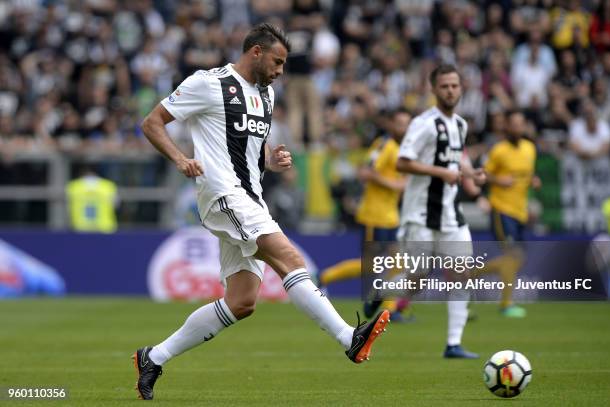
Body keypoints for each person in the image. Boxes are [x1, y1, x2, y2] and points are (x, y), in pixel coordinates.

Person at [133, 23, 390, 400]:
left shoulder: (265, 97)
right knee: (290, 257)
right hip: (223, 195)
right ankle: (348, 338)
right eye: (277, 62)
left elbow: (247, 156)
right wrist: (180, 158)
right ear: (255, 52)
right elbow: (151, 122)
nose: (280, 71)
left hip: (250, 197)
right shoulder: (209, 83)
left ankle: (153, 357)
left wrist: (272, 160)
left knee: (242, 302)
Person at [395, 64, 485, 359]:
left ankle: (453, 343)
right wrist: (441, 172)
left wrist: (471, 175)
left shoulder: (460, 124)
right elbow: (403, 162)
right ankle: (383, 294)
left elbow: (457, 158)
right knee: (418, 278)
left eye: (455, 86)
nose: (450, 91)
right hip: (421, 213)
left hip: (451, 214)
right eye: (445, 86)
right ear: (433, 89)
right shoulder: (423, 123)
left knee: (462, 273)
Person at [318, 109, 412, 322]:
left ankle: (391, 310)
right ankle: (324, 277)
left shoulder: (404, 149)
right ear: (391, 124)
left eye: (407, 124)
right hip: (374, 215)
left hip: (391, 216)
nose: (403, 128)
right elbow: (364, 172)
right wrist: (395, 184)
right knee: (371, 266)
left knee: (398, 262)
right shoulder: (384, 145)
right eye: (399, 123)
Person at [479, 109, 540, 318]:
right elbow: (482, 174)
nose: (517, 128)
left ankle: (468, 275)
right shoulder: (498, 150)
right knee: (512, 255)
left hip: (520, 211)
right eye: (513, 124)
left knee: (517, 259)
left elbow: (527, 174)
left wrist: (533, 180)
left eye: (520, 124)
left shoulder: (530, 148)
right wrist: (498, 180)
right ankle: (506, 304)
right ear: (506, 126)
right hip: (501, 209)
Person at [65, 166, 118, 233]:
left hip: (80, 228)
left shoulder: (73, 187)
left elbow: (67, 208)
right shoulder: (108, 186)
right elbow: (116, 206)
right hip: (105, 228)